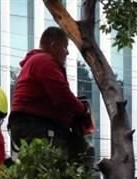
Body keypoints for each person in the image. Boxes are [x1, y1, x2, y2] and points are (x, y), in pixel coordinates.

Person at [8, 27, 94, 167]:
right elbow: (63, 96)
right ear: (54, 46)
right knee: (72, 159)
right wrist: (83, 110)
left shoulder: (34, 63)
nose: (67, 52)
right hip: (38, 128)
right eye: (65, 47)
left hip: (28, 127)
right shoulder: (44, 61)